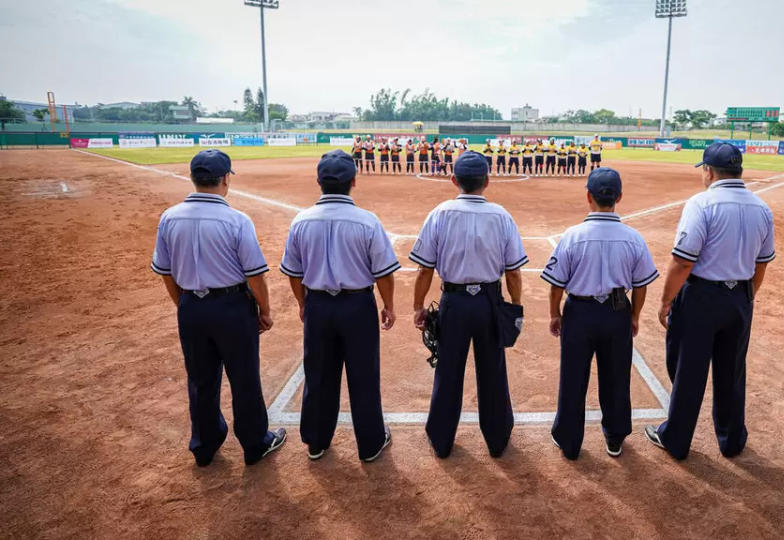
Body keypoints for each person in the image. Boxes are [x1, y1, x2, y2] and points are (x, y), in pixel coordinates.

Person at [151, 149, 286, 467]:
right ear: (225, 179)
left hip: (191, 308)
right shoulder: (236, 220)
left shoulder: (170, 217)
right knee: (244, 378)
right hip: (232, 307)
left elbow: (165, 271)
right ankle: (255, 444)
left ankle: (204, 446)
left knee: (200, 378)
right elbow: (255, 274)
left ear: (192, 178)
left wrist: (184, 304)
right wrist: (264, 310)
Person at [645, 142, 776, 460]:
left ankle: (676, 440)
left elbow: (683, 261)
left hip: (701, 297)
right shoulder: (762, 207)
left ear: (708, 170)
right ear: (739, 170)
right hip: (740, 298)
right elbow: (762, 263)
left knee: (689, 369)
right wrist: (746, 297)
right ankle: (731, 440)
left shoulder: (701, 204)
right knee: (732, 371)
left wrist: (665, 302)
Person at [280, 149, 399, 462]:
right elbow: (383, 272)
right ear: (354, 181)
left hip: (319, 305)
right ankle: (371, 443)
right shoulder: (367, 222)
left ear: (318, 181)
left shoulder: (301, 221)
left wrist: (304, 303)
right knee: (363, 374)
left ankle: (316, 441)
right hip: (358, 305)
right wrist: (388, 305)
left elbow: (294, 273)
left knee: (318, 373)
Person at [410, 151, 527, 458]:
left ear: (454, 180)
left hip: (454, 302)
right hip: (489, 302)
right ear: (487, 181)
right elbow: (513, 271)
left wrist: (418, 306)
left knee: (448, 370)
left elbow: (424, 269)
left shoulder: (440, 213)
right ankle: (498, 438)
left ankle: (441, 439)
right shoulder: (502, 215)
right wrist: (514, 305)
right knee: (493, 370)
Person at [542, 167, 658, 459]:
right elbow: (641, 284)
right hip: (617, 313)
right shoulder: (633, 238)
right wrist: (634, 317)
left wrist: (555, 313)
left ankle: (569, 441)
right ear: (619, 197)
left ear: (588, 197)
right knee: (616, 376)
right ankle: (615, 438)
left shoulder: (572, 236)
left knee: (573, 378)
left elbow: (557, 284)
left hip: (579, 313)